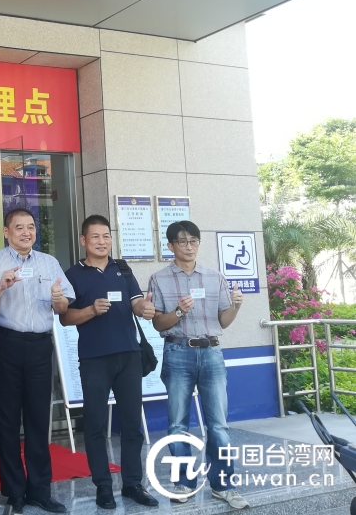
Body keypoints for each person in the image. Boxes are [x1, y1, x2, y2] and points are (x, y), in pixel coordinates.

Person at [0, 208, 74, 514]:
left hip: (39, 346)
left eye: (31, 227)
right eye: (19, 227)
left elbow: (64, 305)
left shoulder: (49, 262)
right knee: (6, 419)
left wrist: (59, 300)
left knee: (38, 419)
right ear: (6, 232)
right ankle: (14, 491)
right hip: (3, 343)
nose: (26, 232)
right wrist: (0, 286)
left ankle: (40, 490)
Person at [61, 215, 159, 509]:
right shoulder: (72, 275)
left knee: (131, 424)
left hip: (129, 355)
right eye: (95, 236)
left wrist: (145, 308)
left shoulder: (122, 269)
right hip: (94, 359)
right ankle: (103, 486)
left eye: (106, 236)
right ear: (83, 240)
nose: (101, 241)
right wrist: (90, 310)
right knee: (94, 424)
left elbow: (136, 303)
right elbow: (65, 318)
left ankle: (132, 484)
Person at [150, 220, 248, 510]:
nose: (189, 247)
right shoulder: (159, 279)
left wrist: (236, 305)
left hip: (211, 352)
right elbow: (158, 323)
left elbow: (223, 321)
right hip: (177, 351)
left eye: (193, 241)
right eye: (182, 242)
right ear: (171, 246)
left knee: (219, 425)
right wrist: (179, 311)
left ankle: (223, 485)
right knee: (178, 424)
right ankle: (184, 483)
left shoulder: (215, 277)